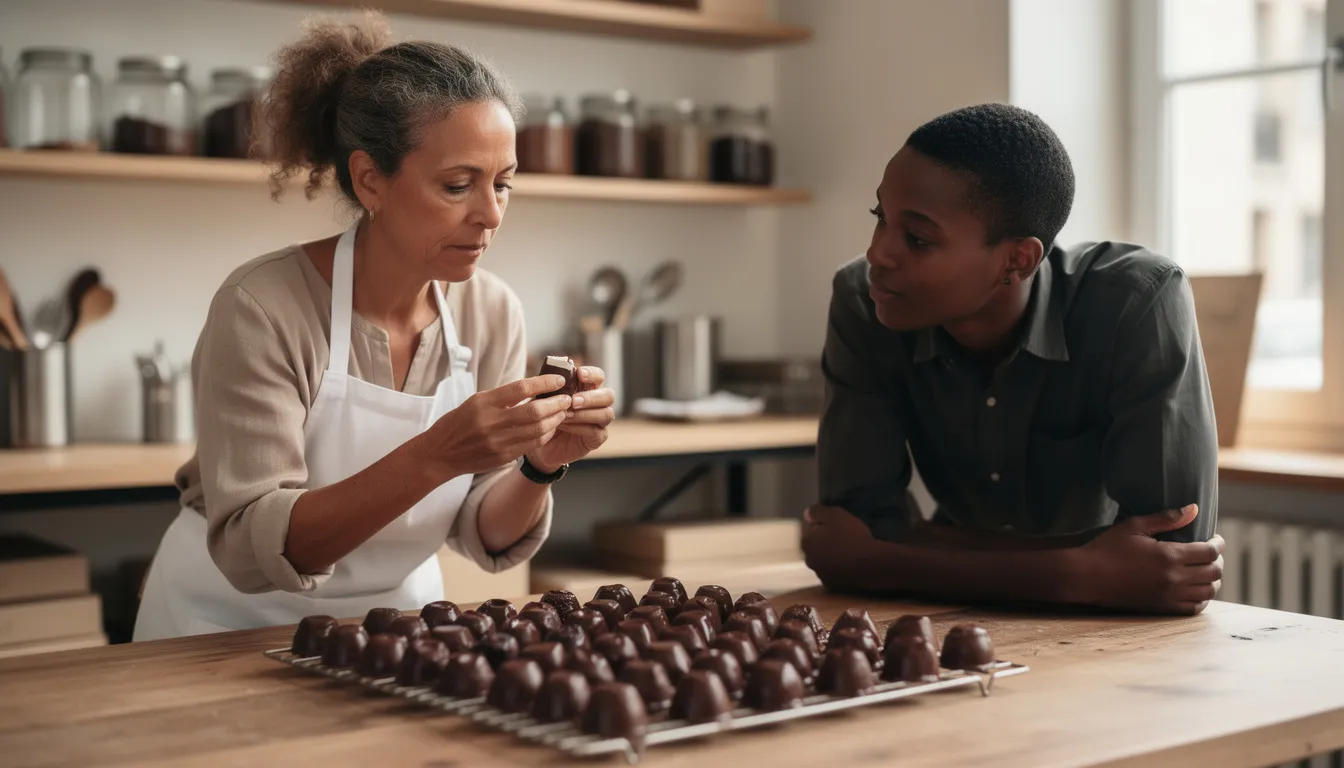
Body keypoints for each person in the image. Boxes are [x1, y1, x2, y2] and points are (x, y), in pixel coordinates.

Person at [134, 13, 615, 640]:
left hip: (389, 632)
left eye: (503, 184)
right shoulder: (263, 307)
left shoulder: (491, 313)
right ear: (370, 180)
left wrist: (540, 467)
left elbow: (484, 533)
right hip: (226, 629)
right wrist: (440, 453)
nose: (491, 214)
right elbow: (254, 551)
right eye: (458, 185)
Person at [802, 103, 1224, 616]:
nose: (877, 254)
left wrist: (899, 557)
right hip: (946, 625)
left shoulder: (1138, 301)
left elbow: (1171, 563)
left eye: (917, 238)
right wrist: (1081, 571)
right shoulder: (863, 299)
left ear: (1017, 260)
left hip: (1111, 644)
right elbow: (855, 535)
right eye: (879, 218)